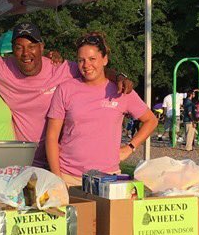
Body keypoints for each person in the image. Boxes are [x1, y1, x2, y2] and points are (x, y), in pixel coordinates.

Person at [0, 22, 134, 167]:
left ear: (42, 47)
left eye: (32, 46)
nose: (26, 53)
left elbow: (93, 70)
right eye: (19, 47)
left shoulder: (63, 69)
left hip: (56, 162)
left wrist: (118, 76)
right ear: (12, 49)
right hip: (18, 163)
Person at [46, 32, 157, 187]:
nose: (86, 65)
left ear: (104, 59)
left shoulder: (121, 90)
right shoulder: (65, 89)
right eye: (81, 60)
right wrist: (57, 178)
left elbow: (151, 120)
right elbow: (51, 137)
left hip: (108, 178)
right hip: (69, 177)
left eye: (92, 59)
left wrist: (130, 147)